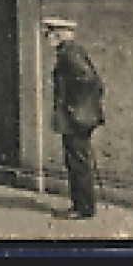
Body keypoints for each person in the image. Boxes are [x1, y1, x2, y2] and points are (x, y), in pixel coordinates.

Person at [46, 17, 105, 220]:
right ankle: (82, 205)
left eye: (50, 33)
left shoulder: (69, 54)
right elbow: (96, 83)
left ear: (59, 34)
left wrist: (74, 107)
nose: (47, 37)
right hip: (81, 117)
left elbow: (89, 80)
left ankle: (83, 208)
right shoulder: (74, 51)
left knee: (77, 162)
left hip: (76, 119)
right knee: (78, 160)